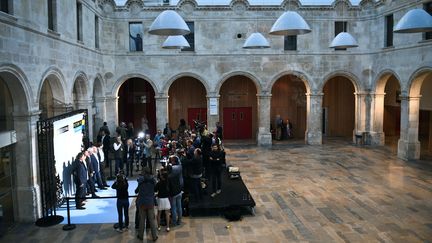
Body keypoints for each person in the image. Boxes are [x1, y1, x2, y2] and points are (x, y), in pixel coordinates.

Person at [136, 168, 158, 241]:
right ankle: (154, 236)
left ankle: (140, 236)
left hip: (142, 202)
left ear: (144, 172)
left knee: (142, 219)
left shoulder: (140, 180)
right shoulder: (153, 180)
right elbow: (155, 188)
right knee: (152, 220)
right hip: (150, 202)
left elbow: (137, 189)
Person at [167, 162, 182, 226]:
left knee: (173, 208)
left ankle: (174, 222)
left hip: (173, 194)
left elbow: (168, 187)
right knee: (179, 207)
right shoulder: (176, 174)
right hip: (179, 192)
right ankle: (179, 220)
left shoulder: (168, 177)